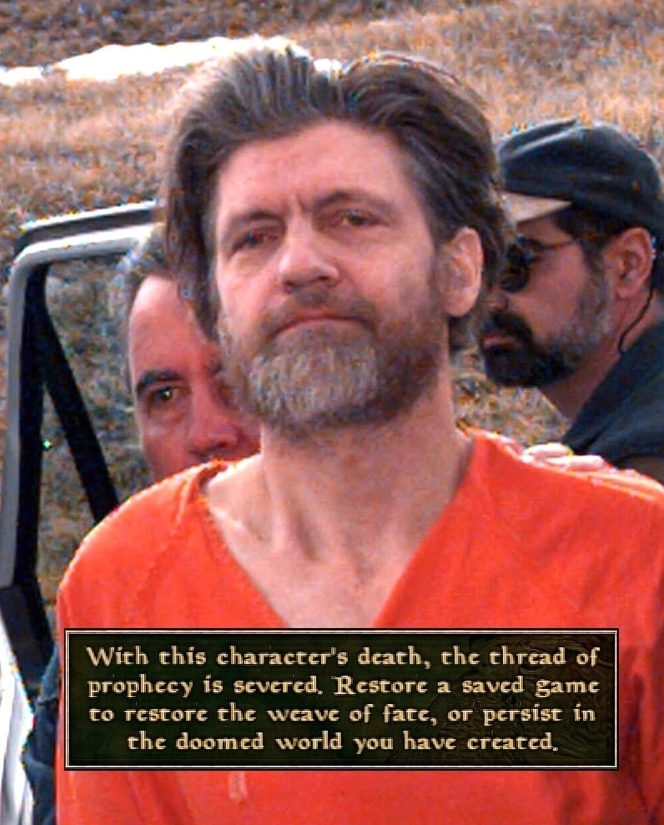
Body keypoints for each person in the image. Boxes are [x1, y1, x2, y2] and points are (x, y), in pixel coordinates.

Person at [56, 39, 664, 823]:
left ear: (461, 269)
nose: (301, 263)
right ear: (213, 303)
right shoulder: (126, 587)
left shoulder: (631, 561)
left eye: (353, 218)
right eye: (253, 236)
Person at [24, 225, 260, 825]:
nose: (207, 432)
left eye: (234, 380)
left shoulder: (438, 575)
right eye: (165, 396)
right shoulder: (115, 614)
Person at [479, 118, 664, 481]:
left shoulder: (645, 456)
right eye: (477, 266)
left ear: (629, 264)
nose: (489, 300)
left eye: (516, 262)